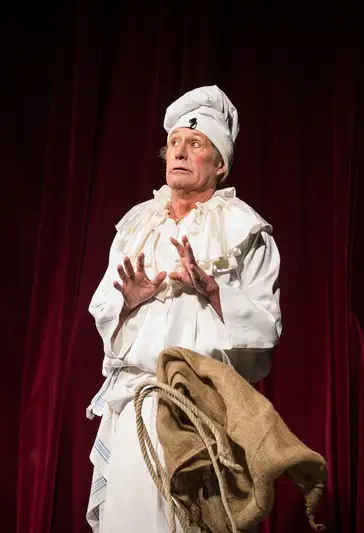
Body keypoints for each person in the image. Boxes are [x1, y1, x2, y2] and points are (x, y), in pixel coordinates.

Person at [85, 85, 282, 532]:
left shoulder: (247, 231)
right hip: (138, 406)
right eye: (174, 142)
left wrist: (215, 293)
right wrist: (128, 305)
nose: (179, 151)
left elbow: (267, 327)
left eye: (195, 144)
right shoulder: (136, 226)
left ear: (219, 164)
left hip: (207, 412)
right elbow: (103, 313)